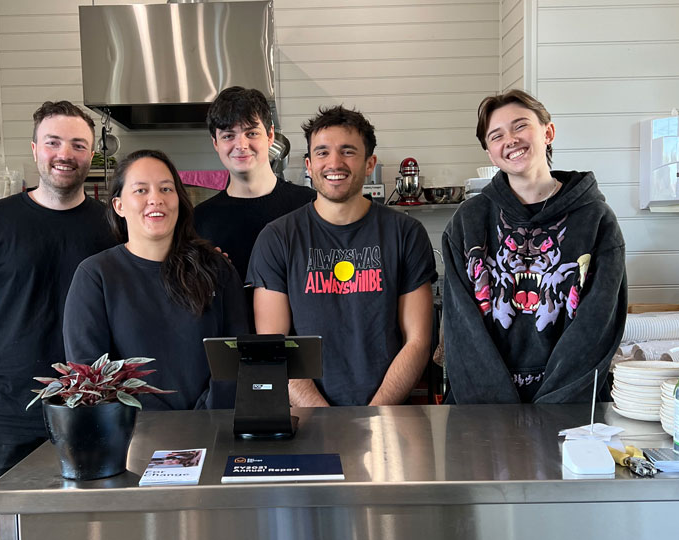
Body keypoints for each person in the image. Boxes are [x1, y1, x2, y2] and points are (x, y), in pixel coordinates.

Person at [0, 100, 116, 540]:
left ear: (91, 157)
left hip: (96, 409)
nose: (66, 154)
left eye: (78, 145)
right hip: (10, 410)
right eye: (54, 142)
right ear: (35, 150)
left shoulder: (112, 224)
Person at [441, 89, 627, 404]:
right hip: (481, 406)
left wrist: (552, 408)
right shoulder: (468, 220)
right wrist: (497, 410)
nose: (510, 139)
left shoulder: (596, 219)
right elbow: (462, 328)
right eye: (496, 135)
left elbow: (598, 325)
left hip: (573, 403)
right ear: (489, 152)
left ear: (548, 132)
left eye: (520, 126)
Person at [246, 106, 437, 406]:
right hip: (308, 420)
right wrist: (328, 421)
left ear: (369, 163)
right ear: (309, 165)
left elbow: (418, 341)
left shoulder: (406, 234)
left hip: (389, 417)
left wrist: (374, 417)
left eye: (348, 151)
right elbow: (274, 347)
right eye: (322, 152)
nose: (334, 162)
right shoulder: (277, 239)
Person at [63, 149, 249, 410]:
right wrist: (148, 425)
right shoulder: (95, 276)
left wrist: (202, 420)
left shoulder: (216, 269)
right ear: (119, 205)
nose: (156, 199)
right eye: (141, 190)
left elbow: (237, 355)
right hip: (132, 437)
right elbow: (91, 374)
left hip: (212, 429)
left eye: (166, 189)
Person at [194, 86, 315, 282]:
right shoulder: (199, 220)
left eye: (251, 133)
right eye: (228, 136)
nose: (241, 145)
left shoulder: (309, 205)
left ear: (270, 136)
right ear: (215, 143)